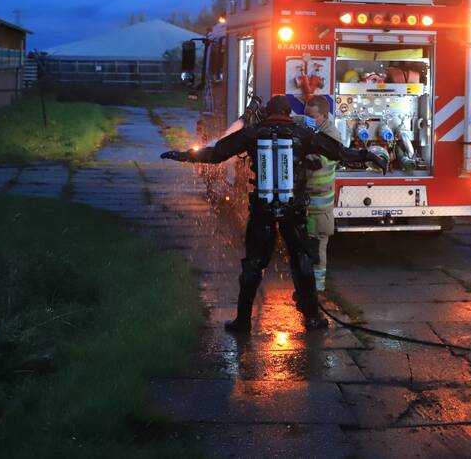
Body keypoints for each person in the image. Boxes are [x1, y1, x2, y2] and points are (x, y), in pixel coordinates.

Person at [161, 95, 387, 333]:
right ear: (290, 113)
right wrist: (370, 156)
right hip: (293, 209)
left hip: (263, 209)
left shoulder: (253, 133)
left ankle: (243, 321)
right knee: (302, 260)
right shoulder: (303, 134)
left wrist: (184, 155)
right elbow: (340, 152)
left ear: (267, 113)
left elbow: (217, 153)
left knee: (253, 264)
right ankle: (312, 318)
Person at [302, 95, 339, 292]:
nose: (307, 118)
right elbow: (298, 120)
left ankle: (317, 291)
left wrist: (297, 160)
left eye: (311, 116)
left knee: (317, 248)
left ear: (323, 116)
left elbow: (316, 164)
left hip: (320, 207)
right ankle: (309, 287)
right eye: (305, 114)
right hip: (311, 205)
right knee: (309, 246)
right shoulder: (316, 128)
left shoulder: (331, 137)